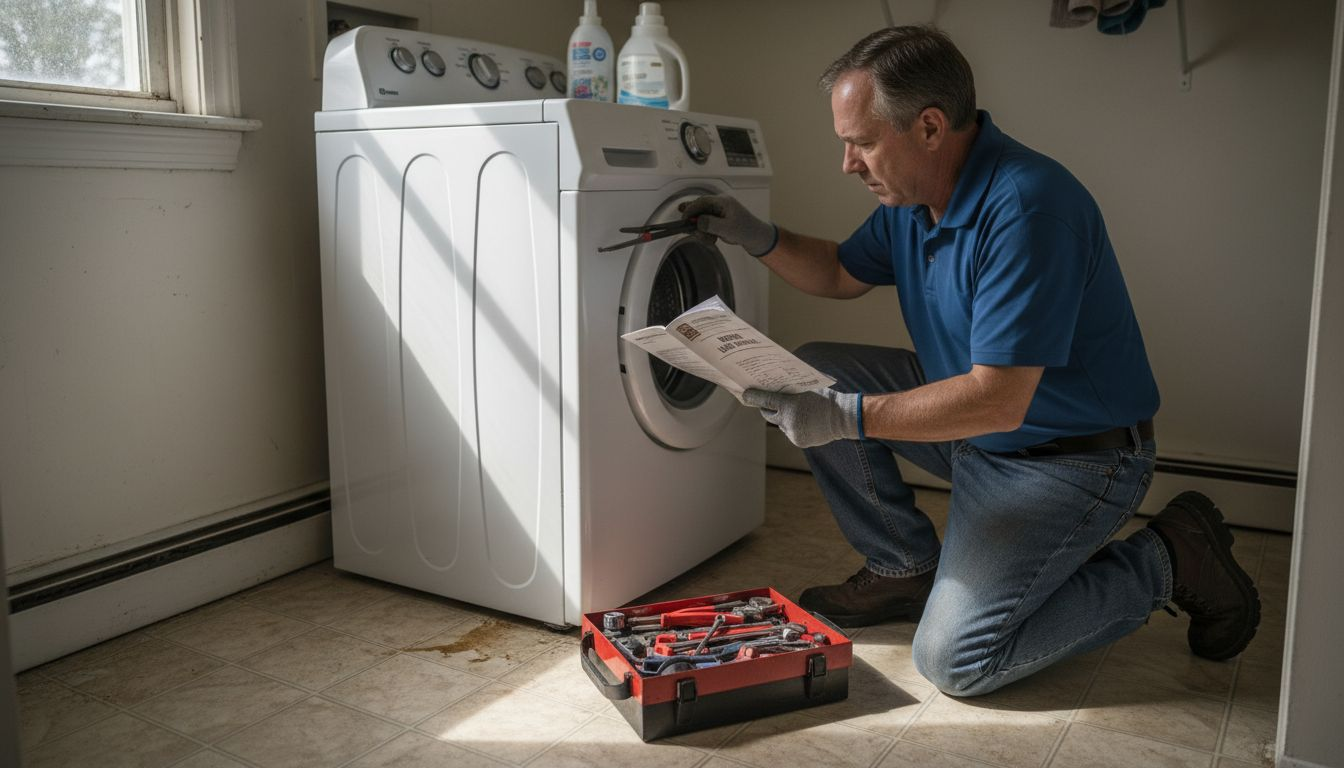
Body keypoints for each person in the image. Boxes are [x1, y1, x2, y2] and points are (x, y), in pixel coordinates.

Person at [680, 25, 1260, 697]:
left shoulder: (1028, 207)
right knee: (816, 368)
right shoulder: (912, 198)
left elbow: (999, 400)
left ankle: (1170, 557)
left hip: (1068, 460)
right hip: (981, 432)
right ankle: (902, 568)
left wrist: (844, 417)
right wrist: (755, 235)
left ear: (929, 127)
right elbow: (839, 270)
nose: (848, 164)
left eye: (862, 142)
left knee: (958, 661)